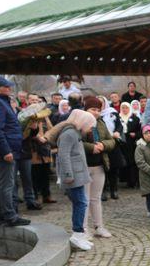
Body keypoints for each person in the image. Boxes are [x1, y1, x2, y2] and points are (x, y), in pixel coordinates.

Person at [0, 76, 30, 226]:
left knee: (0, 183)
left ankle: (1, 215)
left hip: (6, 149)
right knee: (6, 185)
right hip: (5, 150)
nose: (10, 88)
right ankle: (10, 216)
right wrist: (6, 151)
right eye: (7, 86)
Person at [53, 109, 95, 251]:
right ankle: (77, 234)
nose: (90, 129)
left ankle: (80, 234)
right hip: (73, 177)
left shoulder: (74, 133)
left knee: (81, 203)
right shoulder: (69, 134)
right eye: (89, 125)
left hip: (77, 175)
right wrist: (68, 175)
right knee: (81, 203)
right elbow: (63, 155)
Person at [82, 96, 115, 239]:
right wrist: (91, 148)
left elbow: (111, 140)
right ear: (86, 109)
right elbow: (75, 142)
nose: (95, 112)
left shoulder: (101, 123)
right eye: (92, 109)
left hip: (100, 165)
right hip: (83, 166)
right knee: (84, 199)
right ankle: (82, 229)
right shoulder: (79, 123)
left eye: (98, 110)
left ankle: (99, 226)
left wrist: (103, 145)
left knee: (96, 198)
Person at [100, 96, 125, 200]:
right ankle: (103, 191)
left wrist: (117, 132)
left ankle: (114, 190)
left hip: (114, 142)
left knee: (114, 167)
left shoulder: (113, 112)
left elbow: (120, 125)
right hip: (102, 143)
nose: (100, 105)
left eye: (102, 103)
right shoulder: (95, 115)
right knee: (103, 168)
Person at [28, 114, 56, 205]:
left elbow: (51, 129)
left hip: (45, 149)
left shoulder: (44, 118)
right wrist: (38, 137)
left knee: (45, 174)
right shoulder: (28, 118)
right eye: (34, 101)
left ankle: (46, 195)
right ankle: (36, 197)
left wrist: (46, 117)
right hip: (34, 150)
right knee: (35, 174)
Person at [135, 125, 150, 223]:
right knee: (149, 195)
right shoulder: (140, 147)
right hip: (147, 176)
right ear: (142, 135)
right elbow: (140, 162)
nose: (148, 135)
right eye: (146, 133)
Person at [119, 101, 142, 189]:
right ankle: (126, 180)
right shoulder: (118, 117)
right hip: (122, 143)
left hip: (131, 143)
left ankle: (133, 181)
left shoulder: (135, 118)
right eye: (123, 108)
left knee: (132, 162)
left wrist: (135, 134)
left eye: (126, 108)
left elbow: (140, 131)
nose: (125, 110)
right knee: (124, 161)